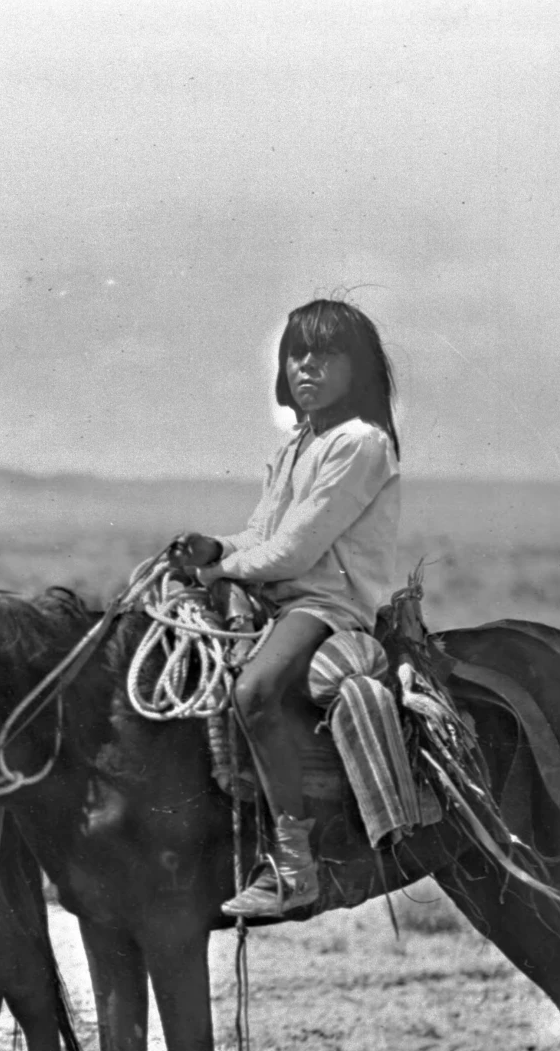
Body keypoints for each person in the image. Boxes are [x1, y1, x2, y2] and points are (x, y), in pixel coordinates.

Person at [169, 297, 403, 918]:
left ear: (360, 370)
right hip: (282, 597)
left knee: (253, 693)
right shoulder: (300, 445)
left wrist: (219, 567)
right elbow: (263, 534)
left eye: (327, 354)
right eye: (297, 354)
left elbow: (295, 551)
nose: (308, 367)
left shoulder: (361, 444)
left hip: (329, 603)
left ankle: (296, 868)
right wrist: (215, 547)